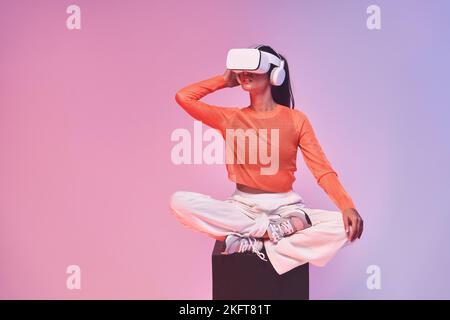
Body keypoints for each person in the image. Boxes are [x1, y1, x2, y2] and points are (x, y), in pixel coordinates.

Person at [170, 44, 363, 275]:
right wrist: (224, 80)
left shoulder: (296, 120)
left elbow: (322, 171)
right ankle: (271, 234)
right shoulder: (231, 118)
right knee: (179, 202)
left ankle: (254, 241)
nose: (245, 73)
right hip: (243, 207)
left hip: (286, 207)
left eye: (254, 66)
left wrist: (347, 205)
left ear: (274, 73)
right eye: (242, 68)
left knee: (344, 228)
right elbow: (184, 97)